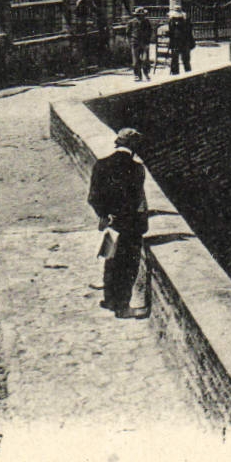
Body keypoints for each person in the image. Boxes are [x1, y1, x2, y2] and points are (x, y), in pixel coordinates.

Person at [88, 127, 149, 318]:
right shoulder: (137, 169)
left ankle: (109, 300)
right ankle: (122, 308)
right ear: (133, 147)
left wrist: (105, 215)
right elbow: (136, 200)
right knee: (127, 266)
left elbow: (93, 197)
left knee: (110, 261)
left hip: (111, 223)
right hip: (129, 224)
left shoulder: (101, 164)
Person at [127, 7, 154, 81]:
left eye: (142, 14)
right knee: (135, 61)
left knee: (145, 59)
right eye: (139, 15)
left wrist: (148, 41)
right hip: (135, 42)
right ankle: (137, 75)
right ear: (136, 15)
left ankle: (146, 73)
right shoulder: (131, 22)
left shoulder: (146, 22)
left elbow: (150, 31)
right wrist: (130, 41)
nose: (141, 16)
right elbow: (128, 33)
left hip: (144, 42)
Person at [166, 7, 195, 75]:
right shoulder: (186, 21)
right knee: (185, 59)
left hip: (178, 42)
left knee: (176, 58)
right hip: (184, 42)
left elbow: (171, 32)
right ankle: (187, 72)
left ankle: (176, 72)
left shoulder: (172, 21)